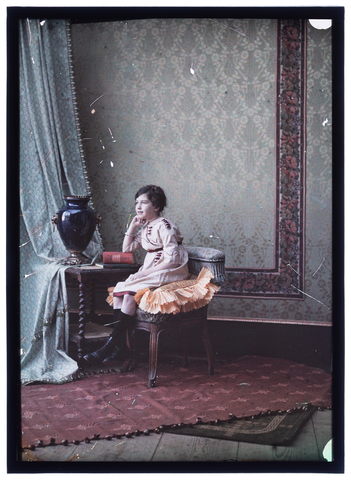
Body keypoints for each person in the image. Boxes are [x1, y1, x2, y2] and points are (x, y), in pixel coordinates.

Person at [83, 185, 189, 367]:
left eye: (144, 202)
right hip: (153, 268)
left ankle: (109, 346)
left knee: (130, 290)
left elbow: (171, 260)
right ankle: (119, 346)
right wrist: (132, 227)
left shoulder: (165, 226)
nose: (138, 207)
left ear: (156, 206)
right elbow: (127, 249)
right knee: (120, 289)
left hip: (170, 270)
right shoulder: (147, 227)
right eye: (136, 203)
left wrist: (142, 274)